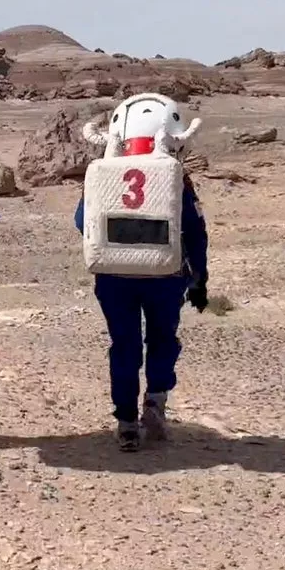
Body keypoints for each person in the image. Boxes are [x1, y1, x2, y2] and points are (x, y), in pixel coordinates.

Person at [73, 152, 209, 452]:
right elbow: (196, 231)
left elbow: (83, 222)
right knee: (162, 339)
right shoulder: (175, 176)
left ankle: (126, 423)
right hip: (165, 275)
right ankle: (156, 400)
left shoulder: (103, 173)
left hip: (114, 276)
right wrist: (200, 277)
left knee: (124, 346)